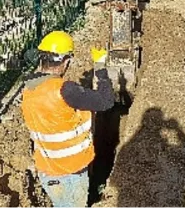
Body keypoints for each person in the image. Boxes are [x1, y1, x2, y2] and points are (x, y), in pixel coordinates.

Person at [21, 31, 115, 208]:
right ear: (66, 61)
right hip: (70, 172)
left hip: (47, 170)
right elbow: (106, 101)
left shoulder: (29, 89)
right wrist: (100, 67)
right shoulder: (65, 90)